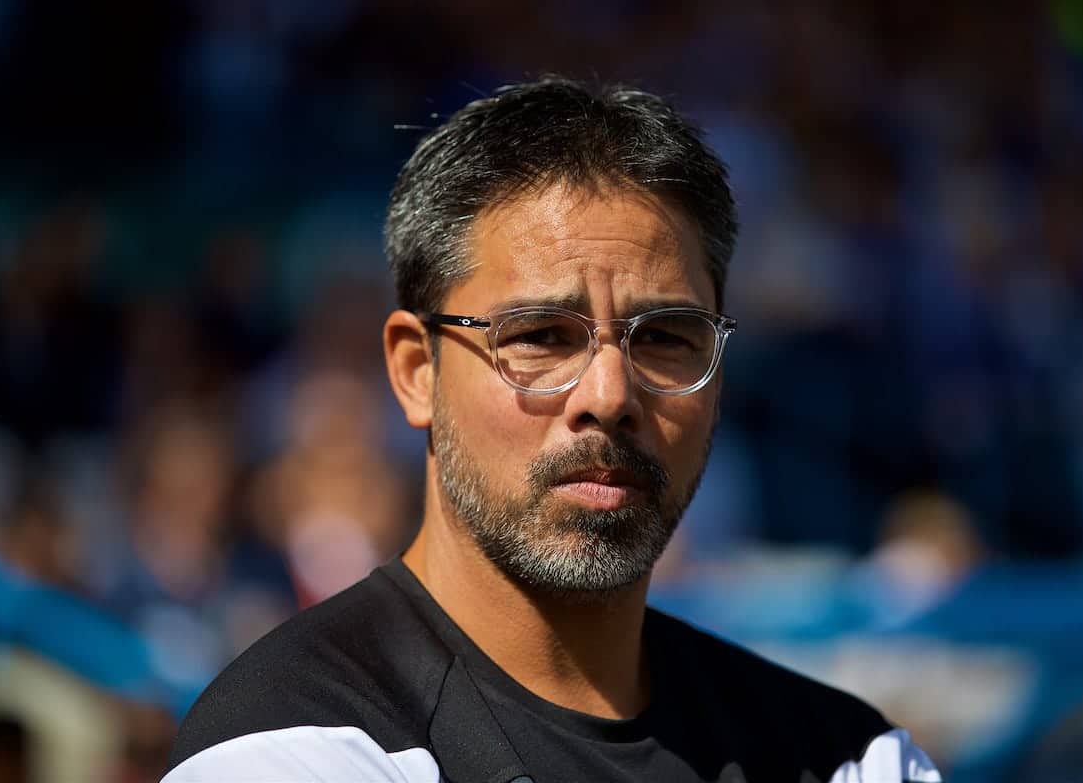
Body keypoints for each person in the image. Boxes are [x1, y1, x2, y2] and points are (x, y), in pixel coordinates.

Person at [163, 76, 940, 783]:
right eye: (539, 336)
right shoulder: (289, 752)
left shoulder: (848, 759)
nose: (608, 394)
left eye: (668, 336)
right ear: (416, 370)